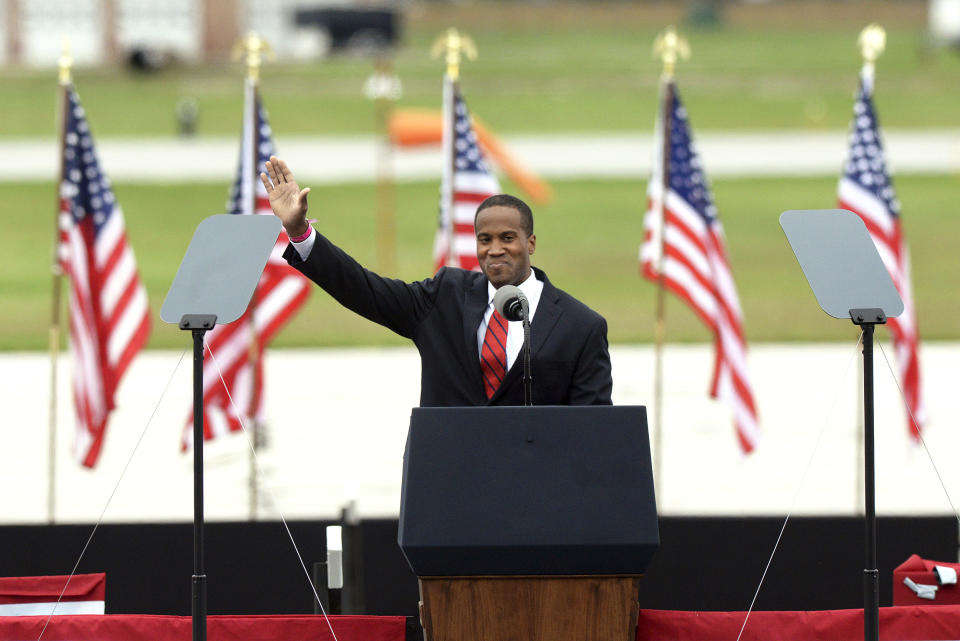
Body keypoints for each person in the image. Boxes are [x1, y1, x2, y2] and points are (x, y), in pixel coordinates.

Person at [260, 156, 612, 406]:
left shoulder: (580, 327)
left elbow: (593, 434)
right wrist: (299, 231)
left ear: (530, 243)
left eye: (508, 237)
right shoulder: (445, 297)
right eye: (484, 240)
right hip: (447, 486)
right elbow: (365, 290)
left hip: (538, 497)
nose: (495, 250)